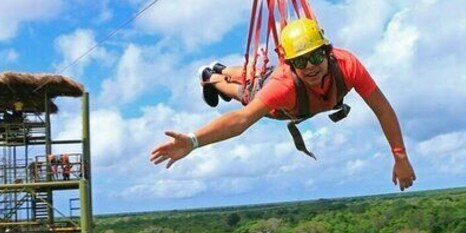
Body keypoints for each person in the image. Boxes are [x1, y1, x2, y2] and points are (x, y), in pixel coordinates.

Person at [150, 19, 416, 191]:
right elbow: (241, 120)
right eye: (301, 62)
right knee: (247, 91)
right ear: (290, 64)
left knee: (256, 73)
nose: (310, 67)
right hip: (283, 105)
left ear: (327, 51)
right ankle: (211, 77)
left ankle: (222, 67)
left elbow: (383, 108)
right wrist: (194, 141)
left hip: (296, 94)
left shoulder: (347, 65)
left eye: (314, 57)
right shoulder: (283, 85)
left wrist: (400, 157)